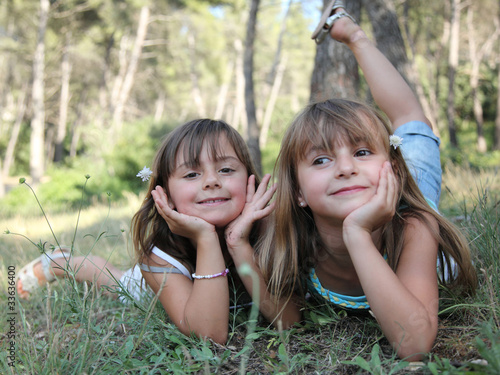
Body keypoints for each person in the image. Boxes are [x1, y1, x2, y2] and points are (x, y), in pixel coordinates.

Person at [258, 0, 477, 361]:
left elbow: (415, 343)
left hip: (403, 187)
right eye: (322, 159)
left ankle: (353, 34)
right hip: (380, 178)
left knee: (410, 120)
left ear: (392, 167)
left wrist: (357, 234)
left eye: (360, 153)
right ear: (297, 192)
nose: (345, 168)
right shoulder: (289, 239)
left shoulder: (414, 226)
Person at [18, 119, 298, 344]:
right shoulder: (160, 255)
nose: (212, 181)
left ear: (250, 179)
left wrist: (238, 244)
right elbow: (210, 335)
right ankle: (57, 263)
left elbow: (290, 322)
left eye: (226, 169)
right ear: (166, 194)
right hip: (154, 285)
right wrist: (206, 238)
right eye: (191, 174)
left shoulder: (270, 228)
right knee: (118, 283)